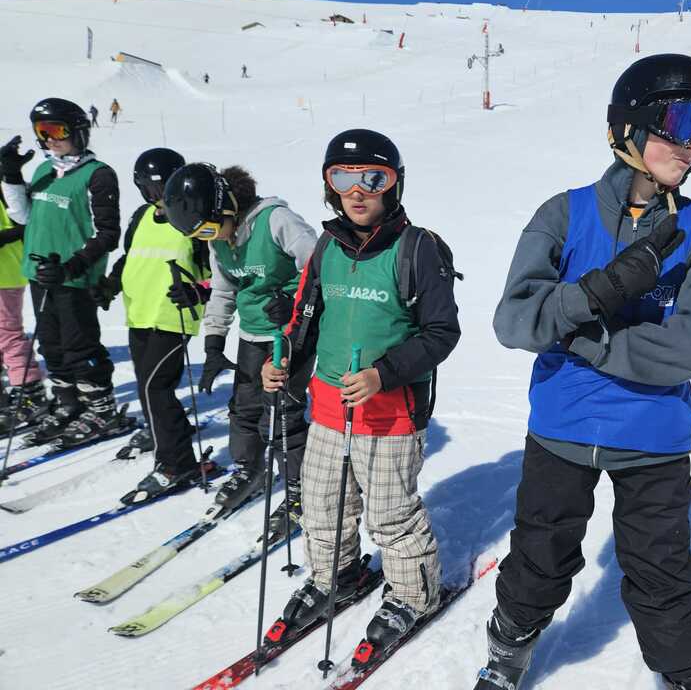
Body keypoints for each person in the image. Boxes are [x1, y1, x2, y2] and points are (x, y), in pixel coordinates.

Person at [474, 54, 691, 690]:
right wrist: (595, 292)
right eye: (681, 120)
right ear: (628, 127)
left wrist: (580, 335)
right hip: (561, 429)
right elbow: (514, 322)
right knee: (538, 560)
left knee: (662, 580)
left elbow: (685, 350)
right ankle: (508, 652)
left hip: (653, 439)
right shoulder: (564, 215)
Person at [261, 129, 460, 652]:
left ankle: (415, 595)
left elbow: (442, 332)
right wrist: (283, 363)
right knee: (322, 506)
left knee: (391, 516)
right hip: (327, 410)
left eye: (374, 178)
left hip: (391, 415)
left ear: (393, 185)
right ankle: (336, 575)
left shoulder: (417, 248)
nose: (357, 191)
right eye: (343, 177)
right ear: (329, 185)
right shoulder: (326, 247)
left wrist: (383, 374)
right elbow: (306, 319)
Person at [162, 162, 317, 528]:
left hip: (290, 333)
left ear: (226, 205)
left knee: (283, 415)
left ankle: (301, 489)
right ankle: (250, 469)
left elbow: (321, 265)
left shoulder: (276, 220)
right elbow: (223, 291)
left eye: (209, 229)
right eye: (200, 235)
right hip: (252, 335)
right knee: (244, 409)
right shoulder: (219, 239)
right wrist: (214, 345)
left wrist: (294, 301)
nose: (210, 237)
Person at [93, 147, 216, 503]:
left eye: (163, 188)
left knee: (155, 388)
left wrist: (199, 291)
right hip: (140, 313)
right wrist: (110, 284)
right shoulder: (141, 217)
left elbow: (217, 273)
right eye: (149, 188)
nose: (157, 196)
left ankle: (177, 463)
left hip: (173, 315)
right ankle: (164, 432)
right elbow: (130, 257)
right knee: (148, 385)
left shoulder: (193, 219)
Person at [0, 98, 121, 447]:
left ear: (78, 131)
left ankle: (101, 408)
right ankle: (69, 402)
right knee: (52, 345)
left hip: (75, 279)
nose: (49, 139)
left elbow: (108, 234)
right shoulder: (44, 170)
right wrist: (11, 175)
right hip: (40, 274)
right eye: (42, 132)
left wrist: (71, 266)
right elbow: (23, 217)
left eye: (56, 130)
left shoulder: (97, 174)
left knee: (79, 344)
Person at [0, 155, 47, 433]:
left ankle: (30, 393)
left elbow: (27, 223)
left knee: (7, 334)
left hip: (5, 274)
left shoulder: (7, 187)